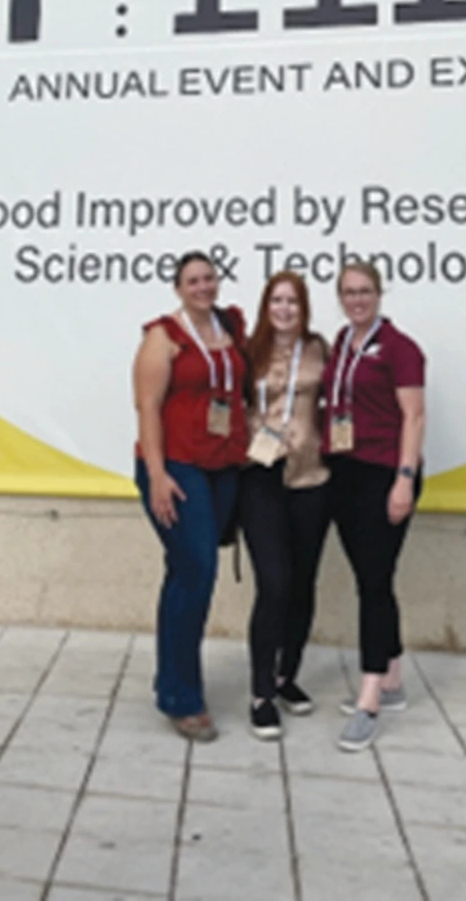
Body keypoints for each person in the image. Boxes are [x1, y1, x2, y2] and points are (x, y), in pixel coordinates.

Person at [133, 250, 248, 741]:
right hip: (178, 467)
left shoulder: (231, 324)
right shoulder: (163, 337)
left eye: (209, 278)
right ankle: (182, 698)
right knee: (197, 571)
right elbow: (147, 406)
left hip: (223, 466)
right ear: (178, 288)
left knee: (185, 571)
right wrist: (157, 474)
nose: (203, 286)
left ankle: (170, 678)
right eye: (192, 280)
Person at [324, 261, 426, 753]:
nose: (357, 299)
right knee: (374, 576)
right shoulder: (340, 343)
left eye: (365, 291)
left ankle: (368, 699)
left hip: (386, 473)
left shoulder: (401, 349)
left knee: (373, 583)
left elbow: (415, 415)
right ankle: (393, 679)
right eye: (349, 292)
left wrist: (404, 480)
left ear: (380, 294)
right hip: (345, 472)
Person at [238, 271, 331, 740]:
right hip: (261, 475)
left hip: (311, 477)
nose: (285, 309)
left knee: (302, 583)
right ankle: (259, 691)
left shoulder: (320, 349)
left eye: (293, 301)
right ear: (265, 305)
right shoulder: (247, 350)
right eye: (277, 300)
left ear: (304, 307)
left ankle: (285, 676)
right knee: (273, 583)